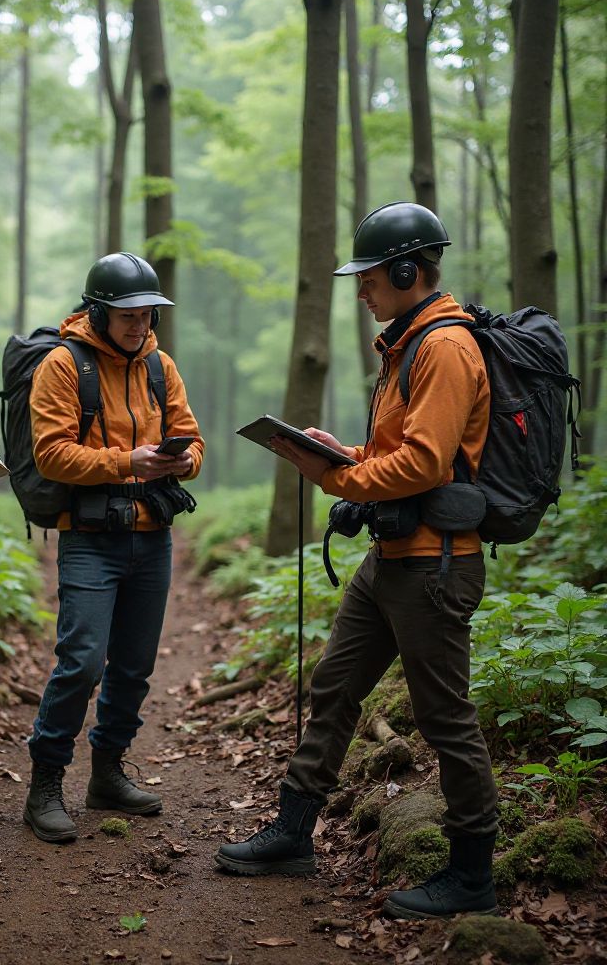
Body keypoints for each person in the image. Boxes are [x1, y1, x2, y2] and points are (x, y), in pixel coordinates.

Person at [215, 202, 499, 921]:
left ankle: (472, 875)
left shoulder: (443, 348)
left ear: (409, 271)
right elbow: (398, 455)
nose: (362, 291)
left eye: (369, 277)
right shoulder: (407, 344)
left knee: (445, 720)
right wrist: (345, 455)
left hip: (435, 566)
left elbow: (429, 463)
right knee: (334, 684)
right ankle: (292, 834)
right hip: (393, 558)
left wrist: (332, 475)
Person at [24, 252, 204, 843]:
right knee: (81, 661)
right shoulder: (62, 365)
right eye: (128, 313)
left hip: (152, 536)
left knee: (134, 666)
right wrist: (128, 461)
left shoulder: (160, 366)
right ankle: (46, 783)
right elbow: (52, 454)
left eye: (149, 313)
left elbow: (194, 441)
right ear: (98, 311)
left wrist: (183, 458)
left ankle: (107, 773)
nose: (141, 324)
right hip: (90, 540)